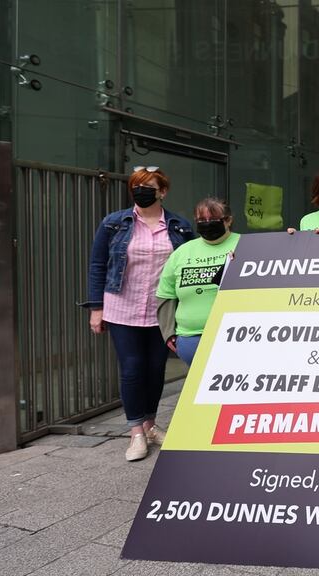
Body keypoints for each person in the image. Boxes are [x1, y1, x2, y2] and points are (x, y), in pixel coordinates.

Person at [87, 166, 195, 462]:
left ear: (163, 191)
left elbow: (193, 262)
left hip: (162, 310)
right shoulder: (114, 224)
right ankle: (135, 432)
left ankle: (150, 425)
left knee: (156, 368)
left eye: (149, 186)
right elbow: (98, 265)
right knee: (133, 368)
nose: (141, 191)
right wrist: (97, 308)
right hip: (122, 307)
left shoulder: (180, 226)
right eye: (137, 186)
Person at [156, 197, 240, 366]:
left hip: (235, 337)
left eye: (213, 219)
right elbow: (166, 294)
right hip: (190, 338)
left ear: (228, 220)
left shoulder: (245, 245)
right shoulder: (183, 252)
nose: (207, 224)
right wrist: (168, 332)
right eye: (202, 220)